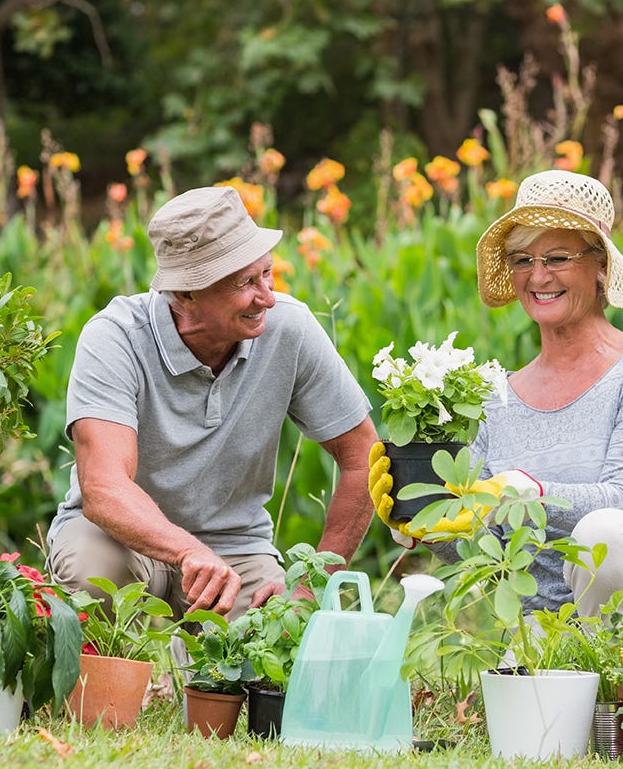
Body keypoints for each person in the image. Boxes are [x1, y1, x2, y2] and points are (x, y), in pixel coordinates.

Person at [369, 170, 623, 623]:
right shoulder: (494, 398)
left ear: (600, 265)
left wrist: (531, 493)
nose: (538, 276)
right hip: (555, 622)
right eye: (522, 260)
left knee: (605, 534)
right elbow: (486, 546)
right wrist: (419, 520)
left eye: (557, 257)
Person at [47, 185, 378, 621]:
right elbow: (104, 489)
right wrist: (187, 551)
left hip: (238, 550)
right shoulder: (115, 337)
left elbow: (364, 459)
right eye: (245, 282)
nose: (267, 297)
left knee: (276, 635)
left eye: (268, 273)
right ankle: (111, 687)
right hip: (118, 541)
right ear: (186, 294)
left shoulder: (289, 329)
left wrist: (312, 585)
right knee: (94, 579)